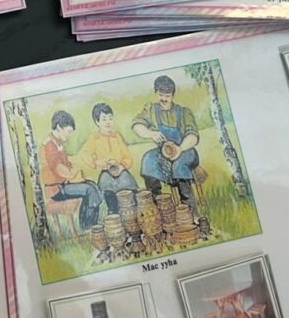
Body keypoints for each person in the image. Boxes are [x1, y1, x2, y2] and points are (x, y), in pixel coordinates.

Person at [132, 75, 201, 215]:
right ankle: (158, 207)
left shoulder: (183, 112)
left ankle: (189, 212)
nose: (163, 99)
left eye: (167, 96)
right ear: (155, 93)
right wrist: (150, 133)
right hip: (163, 152)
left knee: (179, 166)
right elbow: (136, 125)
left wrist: (180, 148)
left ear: (173, 95)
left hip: (185, 150)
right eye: (160, 95)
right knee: (148, 160)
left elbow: (193, 136)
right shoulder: (151, 110)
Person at [39, 111, 103, 231]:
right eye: (68, 131)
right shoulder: (50, 145)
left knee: (92, 185)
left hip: (63, 185)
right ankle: (89, 226)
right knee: (89, 189)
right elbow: (59, 168)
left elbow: (66, 165)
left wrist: (73, 172)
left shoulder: (57, 143)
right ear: (59, 127)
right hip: (56, 190)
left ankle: (89, 223)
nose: (69, 135)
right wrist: (73, 174)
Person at [76, 103, 138, 214]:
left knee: (128, 181)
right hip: (106, 171)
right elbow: (83, 153)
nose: (108, 122)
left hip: (120, 169)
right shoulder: (94, 138)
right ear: (97, 122)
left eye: (110, 118)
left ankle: (134, 210)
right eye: (104, 119)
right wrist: (96, 162)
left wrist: (122, 166)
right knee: (106, 183)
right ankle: (112, 212)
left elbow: (127, 156)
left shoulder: (117, 136)